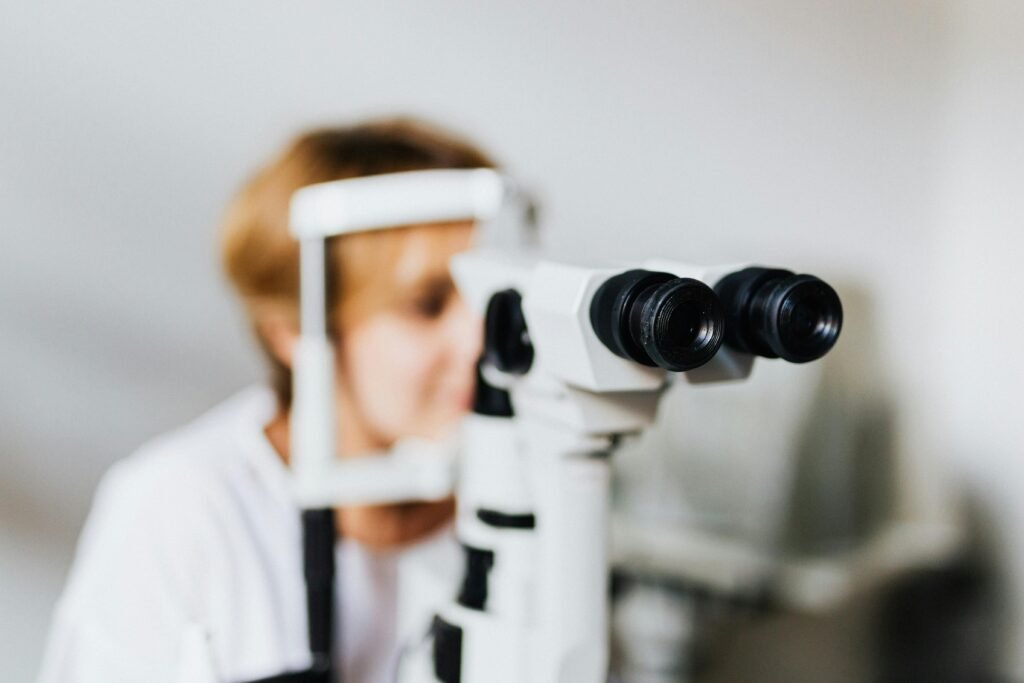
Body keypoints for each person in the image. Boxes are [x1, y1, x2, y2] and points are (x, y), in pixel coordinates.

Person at [39, 117, 497, 683]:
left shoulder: (525, 501)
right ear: (294, 329)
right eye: (426, 305)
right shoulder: (184, 511)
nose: (477, 338)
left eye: (488, 297)